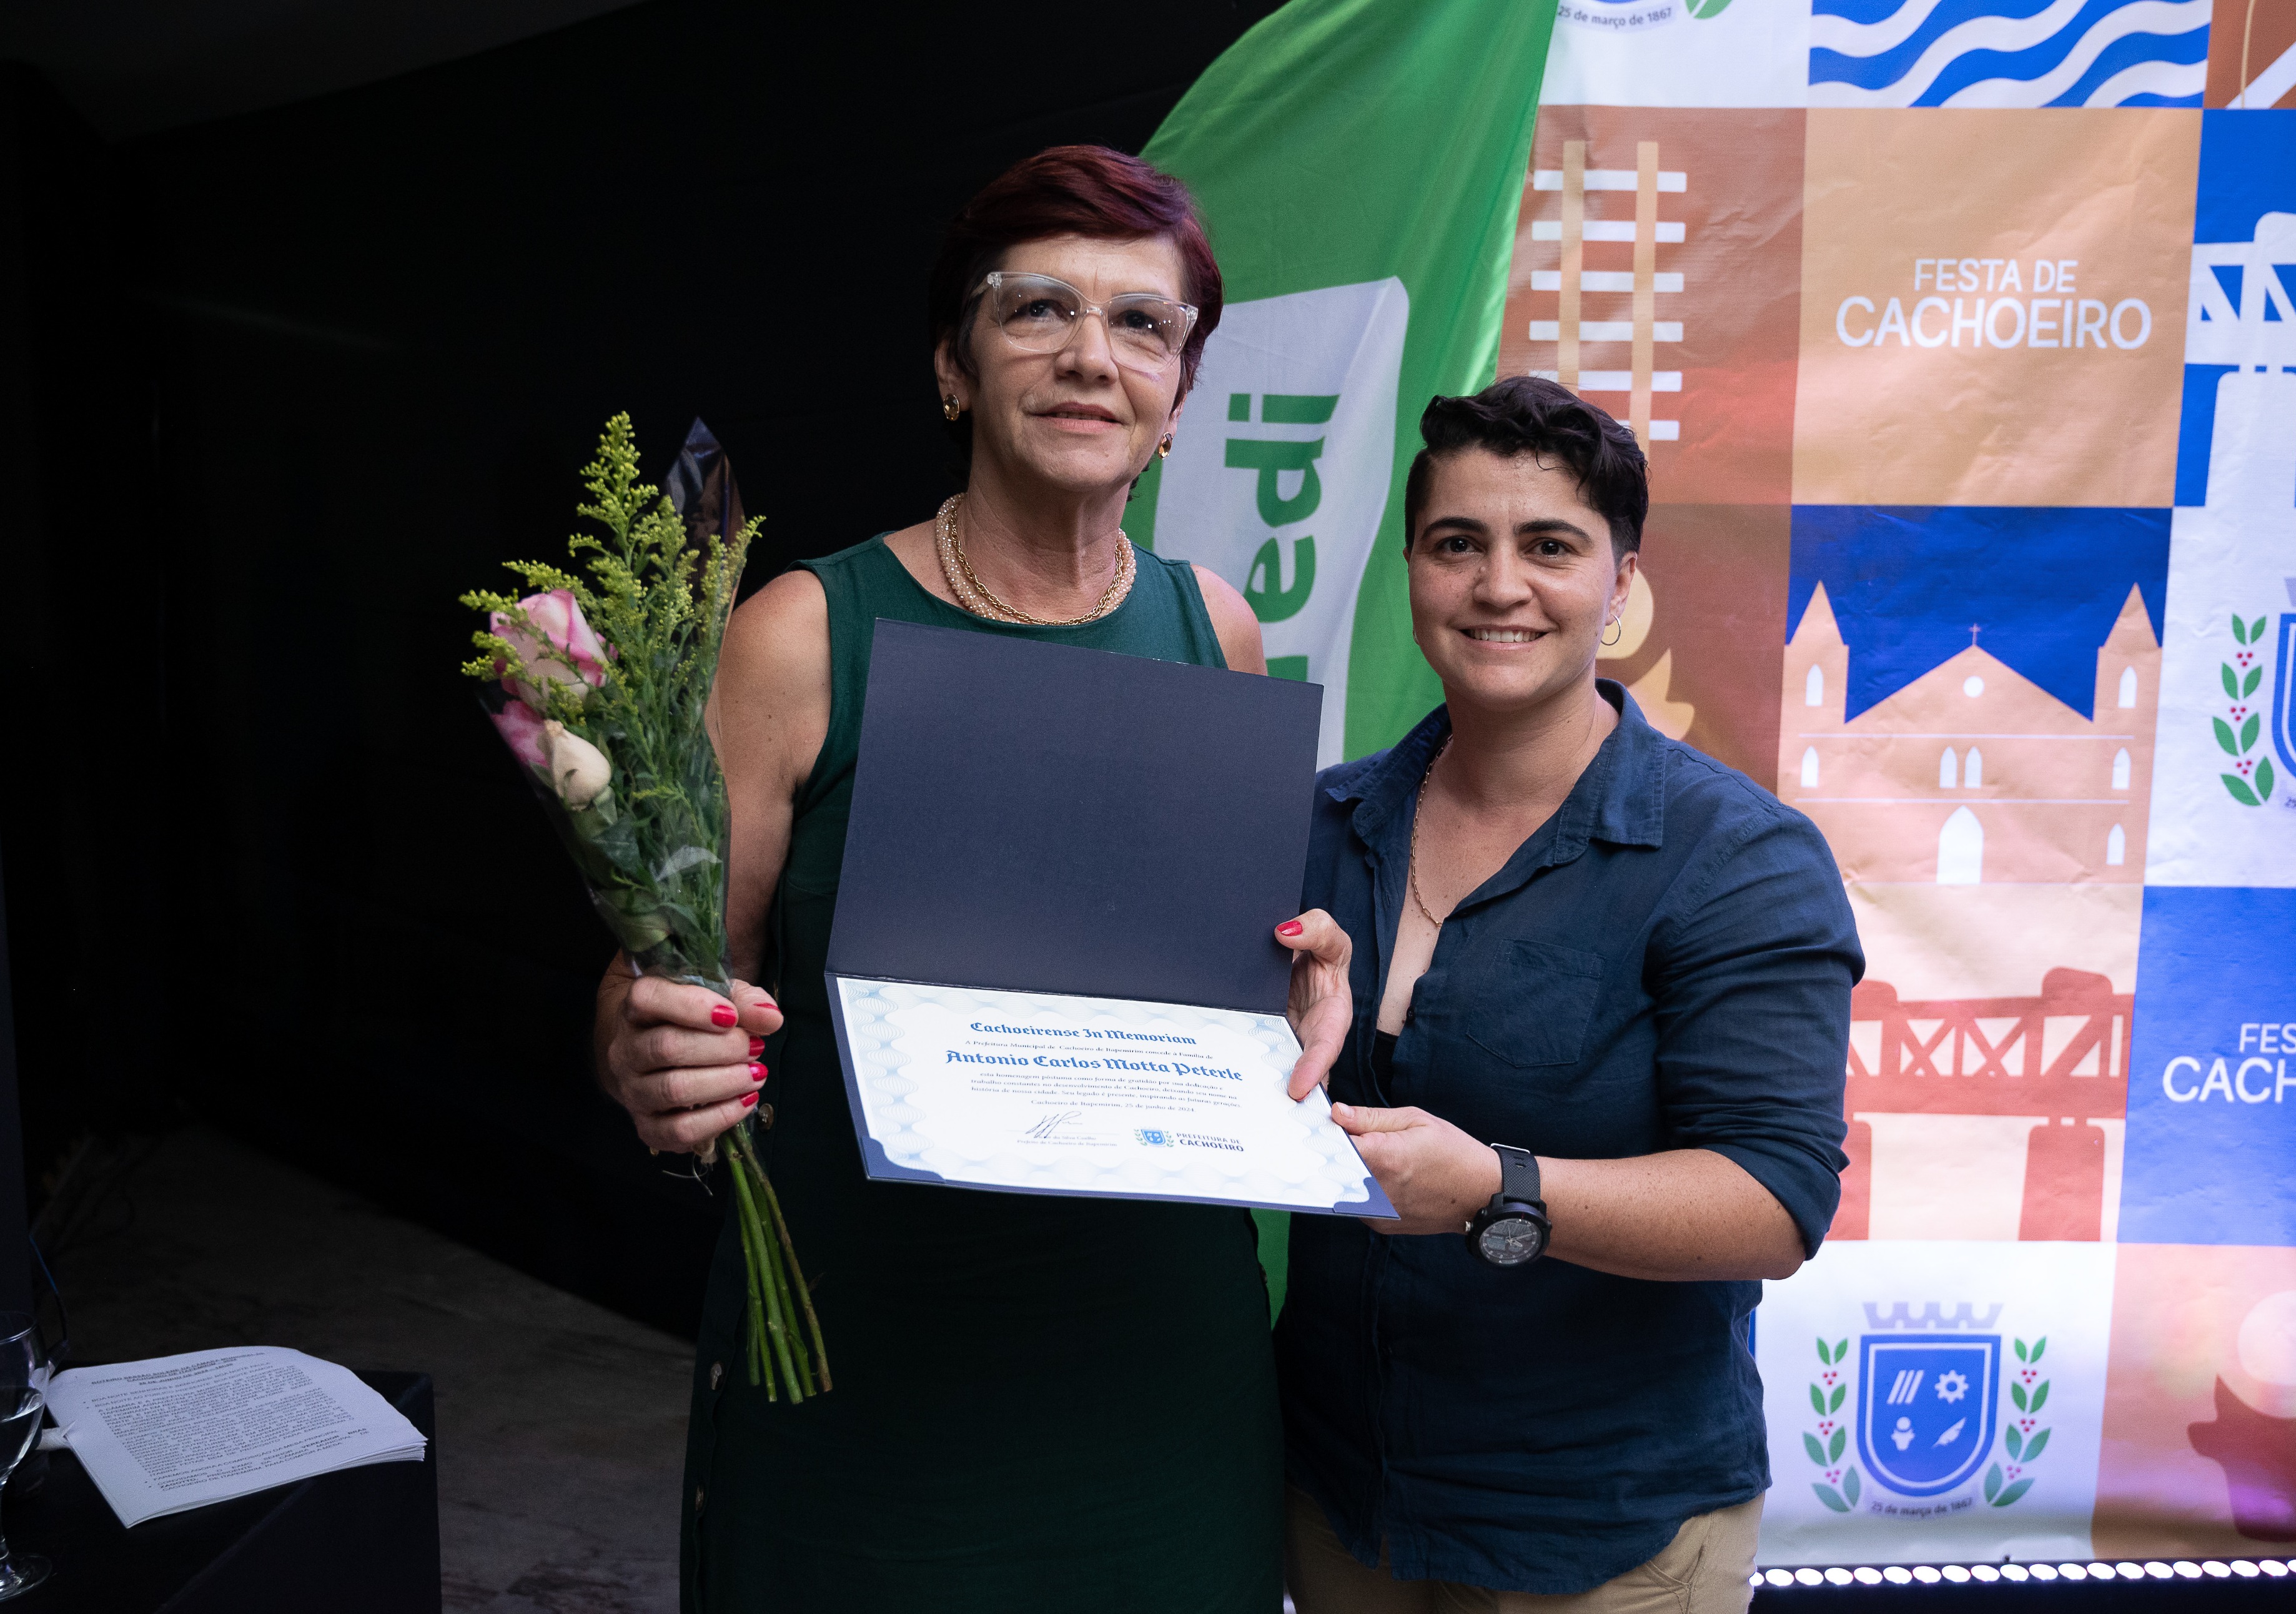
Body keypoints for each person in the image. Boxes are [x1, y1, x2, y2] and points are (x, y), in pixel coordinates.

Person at [592, 145, 1350, 1613]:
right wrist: (645, 1043)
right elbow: (668, 974)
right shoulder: (805, 632)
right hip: (864, 1362)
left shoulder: (1218, 628)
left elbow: (1205, 975)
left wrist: (1293, 984)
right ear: (952, 363)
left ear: (1180, 393)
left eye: (1142, 324)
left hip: (1157, 1368)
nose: (1091, 356)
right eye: (1036, 308)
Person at [1275, 377, 1861, 1613]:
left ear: (1622, 582)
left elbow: (1776, 1200)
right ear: (1410, 569)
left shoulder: (1734, 855)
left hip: (1603, 1528)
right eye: (1457, 544)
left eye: (1550, 546)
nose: (1500, 585)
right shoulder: (1316, 822)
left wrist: (1499, 1188)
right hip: (1341, 1495)